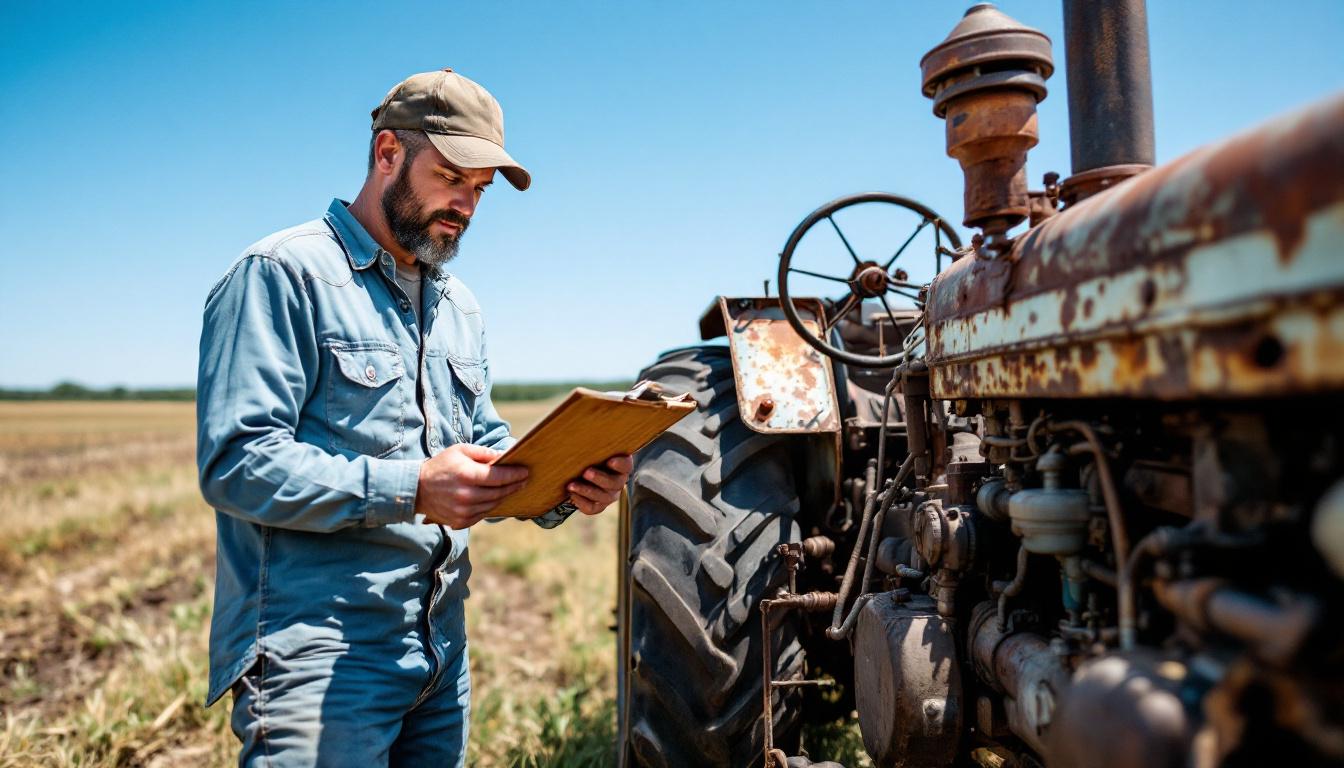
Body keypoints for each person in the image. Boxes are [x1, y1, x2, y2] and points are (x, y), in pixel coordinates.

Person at [195, 68, 632, 767]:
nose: (465, 205)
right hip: (318, 649)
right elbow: (237, 463)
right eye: (452, 177)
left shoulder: (458, 306)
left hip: (439, 649)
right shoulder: (281, 273)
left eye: (479, 191)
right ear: (388, 153)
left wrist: (566, 480)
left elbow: (484, 443)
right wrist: (414, 488)